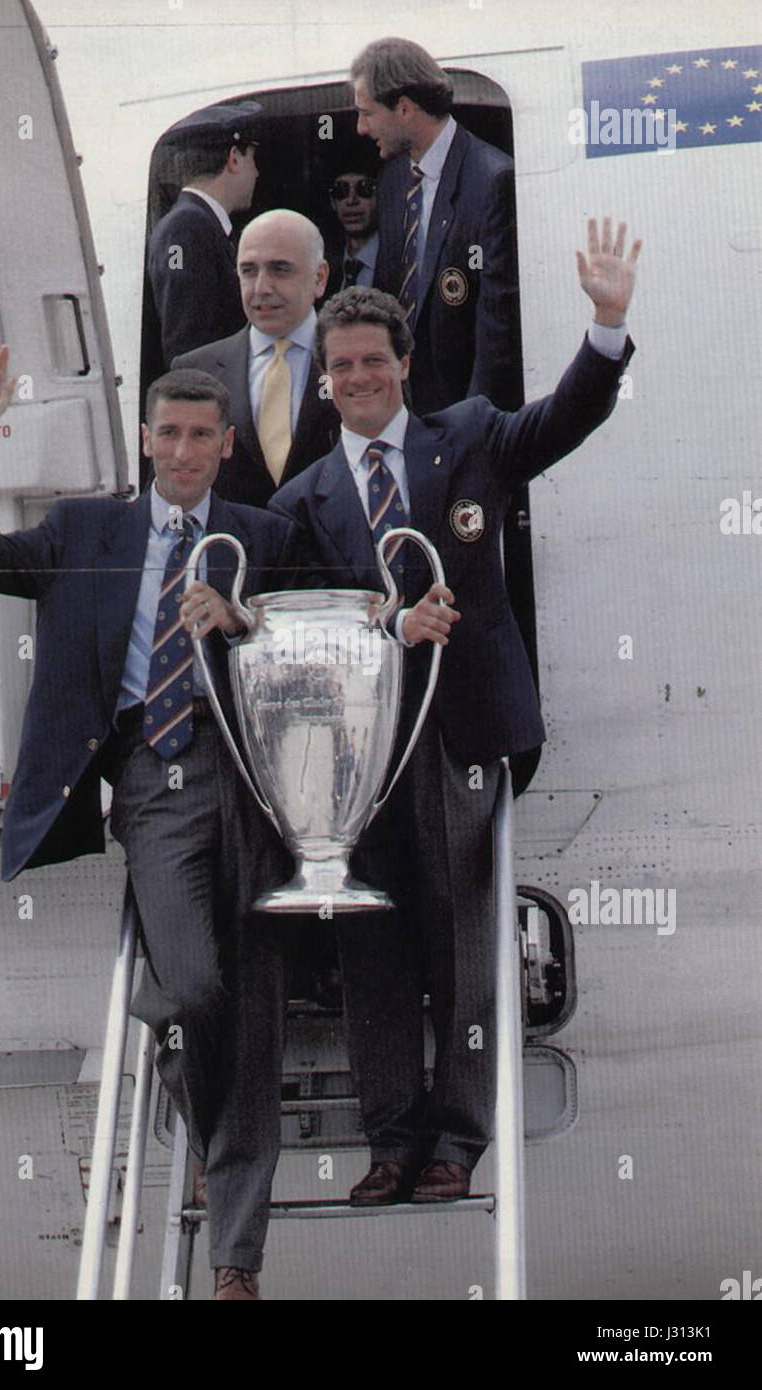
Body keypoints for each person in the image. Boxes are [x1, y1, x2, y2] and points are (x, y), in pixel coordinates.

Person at [269, 219, 640, 1204]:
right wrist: (386, 627)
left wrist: (606, 326)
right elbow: (299, 629)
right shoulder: (304, 499)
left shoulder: (469, 434)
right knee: (372, 946)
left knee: (469, 944)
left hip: (465, 734)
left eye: (373, 361)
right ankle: (392, 1143)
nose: (358, 378)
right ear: (324, 380)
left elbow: (562, 419)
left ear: (402, 364)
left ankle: (457, 1142)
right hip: (362, 755)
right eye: (340, 365)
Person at [0, 345, 300, 1299]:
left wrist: (247, 622)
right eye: (167, 434)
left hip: (257, 786)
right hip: (157, 780)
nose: (182, 452)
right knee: (191, 984)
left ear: (226, 446)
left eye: (200, 437)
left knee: (253, 1016)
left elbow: (313, 636)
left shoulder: (266, 532)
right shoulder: (86, 529)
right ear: (145, 440)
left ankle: (236, 1262)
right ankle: (178, 1059)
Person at [351, 36, 523, 414]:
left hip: (463, 418)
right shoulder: (394, 177)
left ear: (406, 109)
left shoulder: (492, 181)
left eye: (367, 113)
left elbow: (498, 331)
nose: (361, 128)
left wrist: (471, 431)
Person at [172, 209, 339, 509]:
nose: (262, 288)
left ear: (320, 278)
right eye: (249, 271)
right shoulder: (195, 371)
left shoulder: (363, 366)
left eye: (280, 269)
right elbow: (168, 496)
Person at [147, 102, 261, 367]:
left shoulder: (198, 223)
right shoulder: (186, 228)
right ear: (233, 158)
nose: (257, 172)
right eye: (252, 159)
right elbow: (188, 348)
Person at [323, 144, 381, 297]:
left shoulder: (401, 265)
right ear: (332, 201)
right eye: (341, 190)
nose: (351, 200)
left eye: (364, 188)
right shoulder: (323, 267)